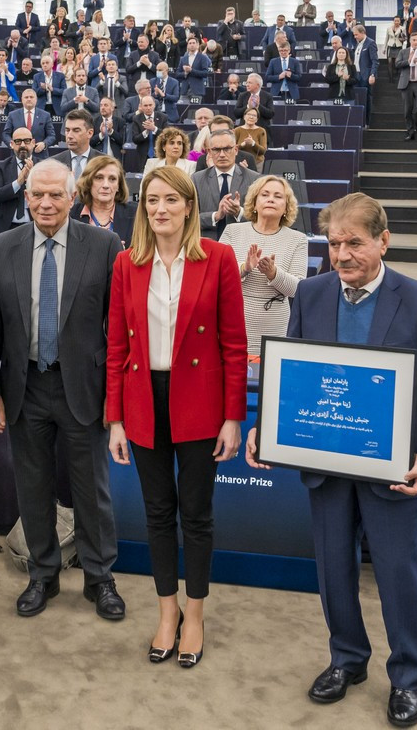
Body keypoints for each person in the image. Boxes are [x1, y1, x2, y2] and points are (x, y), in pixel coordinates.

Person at [244, 192, 417, 728]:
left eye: (354, 243)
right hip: (326, 465)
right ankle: (347, 659)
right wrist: (264, 427)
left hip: (392, 471)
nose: (342, 254)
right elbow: (292, 376)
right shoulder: (312, 294)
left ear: (384, 241)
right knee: (334, 570)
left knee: (399, 575)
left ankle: (408, 677)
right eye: (335, 243)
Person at [0, 159, 126, 621]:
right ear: (26, 196)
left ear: (72, 197)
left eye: (55, 195)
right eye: (37, 194)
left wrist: (114, 395)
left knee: (91, 489)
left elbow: (117, 326)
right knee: (33, 486)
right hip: (25, 388)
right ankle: (43, 574)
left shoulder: (104, 244)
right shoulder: (2, 247)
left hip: (83, 386)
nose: (45, 203)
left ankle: (100, 578)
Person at [105, 165, 245, 666]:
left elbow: (233, 344)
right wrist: (115, 418)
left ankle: (196, 612)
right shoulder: (127, 264)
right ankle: (168, 612)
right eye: (151, 201)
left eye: (170, 200)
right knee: (158, 513)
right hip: (144, 399)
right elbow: (116, 347)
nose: (159, 209)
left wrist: (234, 417)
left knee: (197, 515)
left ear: (190, 206)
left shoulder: (220, 258)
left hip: (201, 402)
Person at [219, 174, 308, 355]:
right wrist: (245, 268)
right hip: (232, 323)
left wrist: (274, 274)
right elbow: (215, 277)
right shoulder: (232, 231)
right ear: (254, 201)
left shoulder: (298, 240)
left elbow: (298, 289)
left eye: (278, 196)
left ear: (286, 206)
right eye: (265, 194)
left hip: (275, 330)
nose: (270, 199)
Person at [194, 129, 263, 241]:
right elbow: (188, 218)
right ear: (209, 152)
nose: (222, 155)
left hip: (242, 244)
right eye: (216, 150)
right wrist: (215, 216)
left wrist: (239, 212)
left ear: (235, 150)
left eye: (227, 149)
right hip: (206, 245)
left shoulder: (254, 179)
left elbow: (262, 218)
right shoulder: (197, 179)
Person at [70, 155, 134, 247]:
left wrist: (125, 255)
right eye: (99, 178)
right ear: (88, 182)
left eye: (112, 179)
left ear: (118, 186)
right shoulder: (71, 215)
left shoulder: (134, 214)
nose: (106, 185)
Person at [395, 34, 417, 141]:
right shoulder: (403, 52)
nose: (416, 42)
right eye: (414, 40)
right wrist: (407, 61)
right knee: (408, 110)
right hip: (407, 83)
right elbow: (397, 64)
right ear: (410, 40)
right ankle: (410, 131)